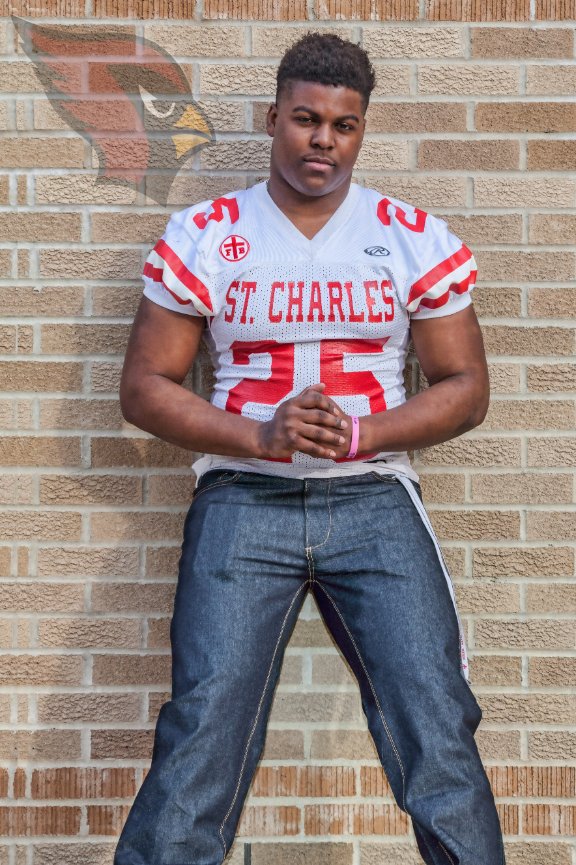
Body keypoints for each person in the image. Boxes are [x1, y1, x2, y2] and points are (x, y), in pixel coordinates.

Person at [113, 33, 506, 865]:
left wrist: (363, 432)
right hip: (243, 494)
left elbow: (466, 386)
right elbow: (145, 386)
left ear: (361, 130)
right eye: (305, 119)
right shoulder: (208, 232)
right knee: (205, 724)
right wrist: (260, 435)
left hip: (373, 494)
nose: (322, 139)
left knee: (435, 717)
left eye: (343, 125)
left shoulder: (410, 235)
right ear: (272, 119)